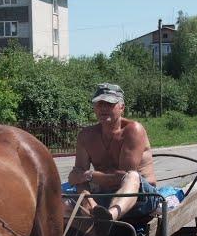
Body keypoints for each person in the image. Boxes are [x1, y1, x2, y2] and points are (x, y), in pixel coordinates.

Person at [68, 83, 158, 223]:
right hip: (103, 197)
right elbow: (74, 177)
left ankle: (109, 218)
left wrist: (89, 175)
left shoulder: (133, 130)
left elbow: (122, 177)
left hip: (141, 198)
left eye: (109, 104)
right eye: (99, 104)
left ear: (122, 107)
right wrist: (89, 200)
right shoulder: (86, 136)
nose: (103, 108)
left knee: (132, 176)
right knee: (64, 196)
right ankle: (95, 221)